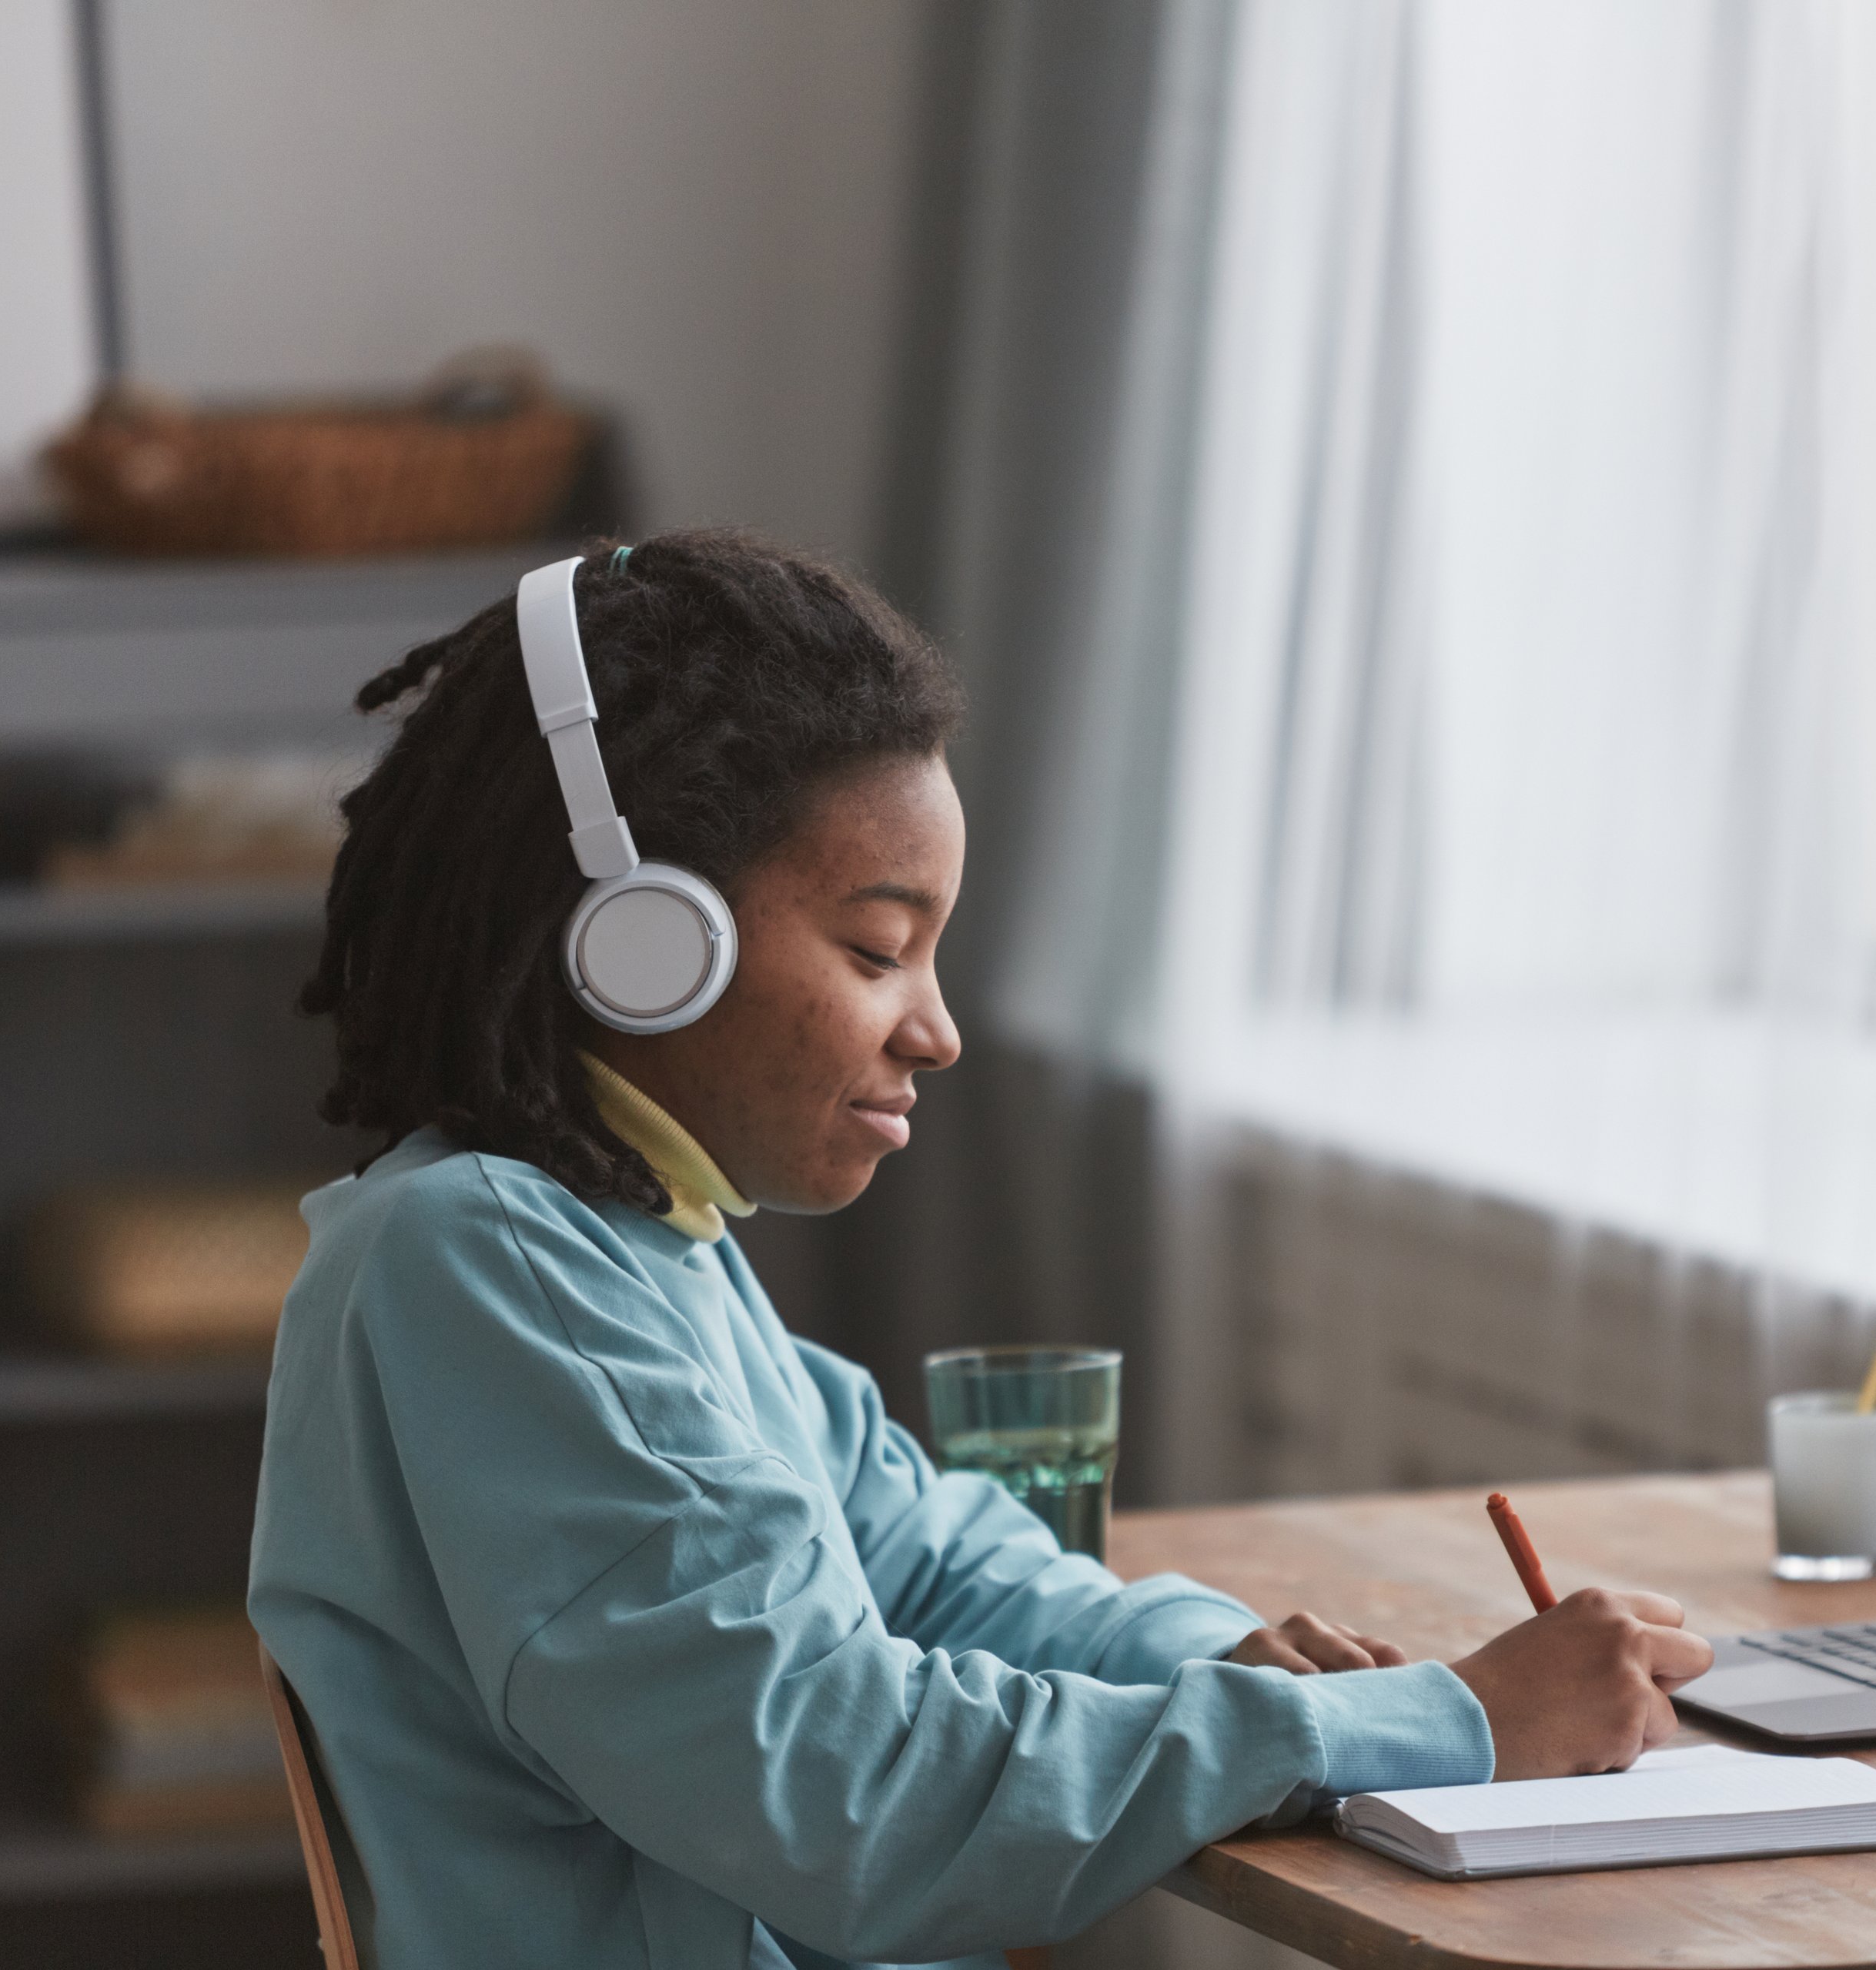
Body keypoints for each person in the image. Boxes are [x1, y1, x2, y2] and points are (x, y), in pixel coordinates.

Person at [249, 530, 1712, 1970]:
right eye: (879, 951)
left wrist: (1248, 1668)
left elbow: (939, 1566)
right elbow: (848, 1797)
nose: (936, 1031)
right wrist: (1437, 1726)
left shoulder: (640, 1246)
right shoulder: (489, 1263)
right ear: (643, 938)